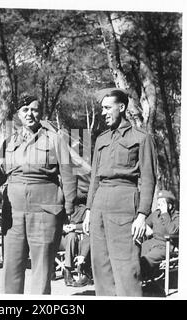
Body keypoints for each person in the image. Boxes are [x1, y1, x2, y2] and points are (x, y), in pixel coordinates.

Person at [0, 93, 77, 294]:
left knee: (42, 268)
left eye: (34, 109)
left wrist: (69, 211)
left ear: (40, 112)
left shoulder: (55, 139)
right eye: (25, 110)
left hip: (45, 210)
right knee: (12, 265)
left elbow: (68, 176)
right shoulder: (8, 142)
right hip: (13, 212)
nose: (29, 114)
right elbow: (0, 174)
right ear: (18, 114)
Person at [82, 88, 157, 296]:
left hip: (125, 203)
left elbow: (149, 179)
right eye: (102, 108)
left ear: (121, 107)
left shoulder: (142, 138)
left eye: (108, 108)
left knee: (126, 268)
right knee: (101, 268)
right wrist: (89, 210)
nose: (103, 113)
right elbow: (95, 178)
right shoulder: (101, 139)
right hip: (99, 205)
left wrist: (142, 215)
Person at [141, 190, 179, 279]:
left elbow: (172, 231)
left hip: (166, 245)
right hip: (152, 242)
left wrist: (165, 213)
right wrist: (146, 228)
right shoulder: (156, 214)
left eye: (161, 204)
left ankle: (138, 281)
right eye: (158, 204)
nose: (159, 206)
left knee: (146, 260)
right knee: (134, 254)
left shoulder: (177, 217)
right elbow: (146, 224)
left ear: (169, 206)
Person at [60, 195, 92, 287]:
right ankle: (68, 270)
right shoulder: (61, 209)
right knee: (71, 236)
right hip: (61, 240)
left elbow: (88, 226)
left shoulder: (82, 210)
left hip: (77, 241)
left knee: (72, 235)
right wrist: (63, 228)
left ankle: (69, 270)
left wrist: (74, 227)